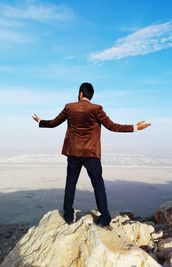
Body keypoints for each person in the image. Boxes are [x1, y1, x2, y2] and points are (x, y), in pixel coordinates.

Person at [32, 82, 151, 227]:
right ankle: (105, 217)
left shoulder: (69, 107)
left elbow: (54, 123)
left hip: (73, 153)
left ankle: (68, 216)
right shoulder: (97, 109)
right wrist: (135, 127)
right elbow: (112, 126)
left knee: (70, 183)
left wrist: (40, 121)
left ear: (80, 93)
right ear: (90, 95)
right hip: (91, 154)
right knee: (98, 184)